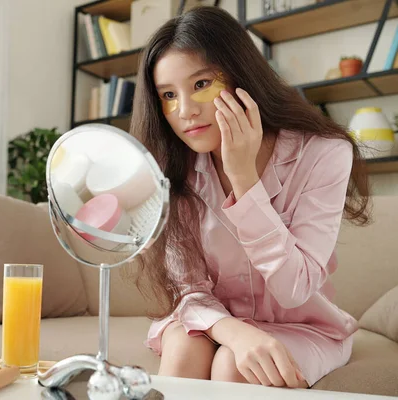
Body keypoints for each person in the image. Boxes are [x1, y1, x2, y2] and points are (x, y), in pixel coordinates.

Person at [130, 6, 370, 389]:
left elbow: (295, 288)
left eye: (201, 84)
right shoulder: (172, 171)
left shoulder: (323, 153)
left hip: (301, 326)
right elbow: (190, 290)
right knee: (187, 347)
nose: (186, 111)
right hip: (213, 320)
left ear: (241, 76)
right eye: (169, 95)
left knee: (234, 367)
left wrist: (244, 179)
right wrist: (237, 333)